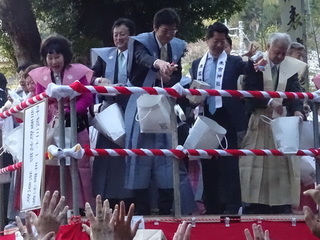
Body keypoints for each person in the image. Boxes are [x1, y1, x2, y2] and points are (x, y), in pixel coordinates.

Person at [125, 8, 187, 215]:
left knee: (166, 155)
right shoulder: (140, 42)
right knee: (139, 154)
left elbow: (178, 73)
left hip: (164, 103)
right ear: (155, 28)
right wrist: (158, 63)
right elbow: (142, 58)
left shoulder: (177, 46)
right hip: (140, 102)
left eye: (173, 31)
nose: (169, 35)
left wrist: (173, 80)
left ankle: (166, 207)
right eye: (165, 31)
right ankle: (140, 208)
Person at [239, 32, 305, 214]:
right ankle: (254, 203)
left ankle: (282, 203)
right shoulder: (256, 62)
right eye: (277, 52)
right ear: (269, 48)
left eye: (284, 53)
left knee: (282, 163)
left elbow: (294, 91)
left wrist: (298, 109)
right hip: (260, 120)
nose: (280, 56)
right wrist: (269, 102)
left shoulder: (289, 67)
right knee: (256, 161)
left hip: (282, 123)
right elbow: (250, 89)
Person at [28, 34, 94, 208]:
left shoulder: (78, 73)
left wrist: (71, 110)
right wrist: (54, 110)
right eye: (50, 57)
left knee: (81, 165)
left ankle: (83, 207)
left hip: (77, 126)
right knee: (54, 168)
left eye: (57, 56)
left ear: (65, 56)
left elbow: (87, 97)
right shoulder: (41, 78)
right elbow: (38, 99)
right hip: (53, 128)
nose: (54, 61)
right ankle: (57, 206)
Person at [189, 22, 248, 214]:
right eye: (216, 40)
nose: (219, 45)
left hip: (227, 115)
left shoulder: (235, 62)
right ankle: (211, 204)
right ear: (207, 40)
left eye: (223, 41)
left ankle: (231, 205)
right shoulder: (197, 64)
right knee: (208, 161)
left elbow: (249, 78)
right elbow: (192, 90)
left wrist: (255, 64)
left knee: (229, 161)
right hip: (205, 114)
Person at [90, 18, 135, 209]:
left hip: (132, 110)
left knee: (129, 156)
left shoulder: (139, 55)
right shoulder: (105, 55)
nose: (118, 38)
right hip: (110, 114)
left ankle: (131, 199)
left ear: (131, 36)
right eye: (115, 35)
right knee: (107, 158)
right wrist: (100, 80)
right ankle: (106, 199)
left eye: (122, 34)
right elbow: (91, 77)